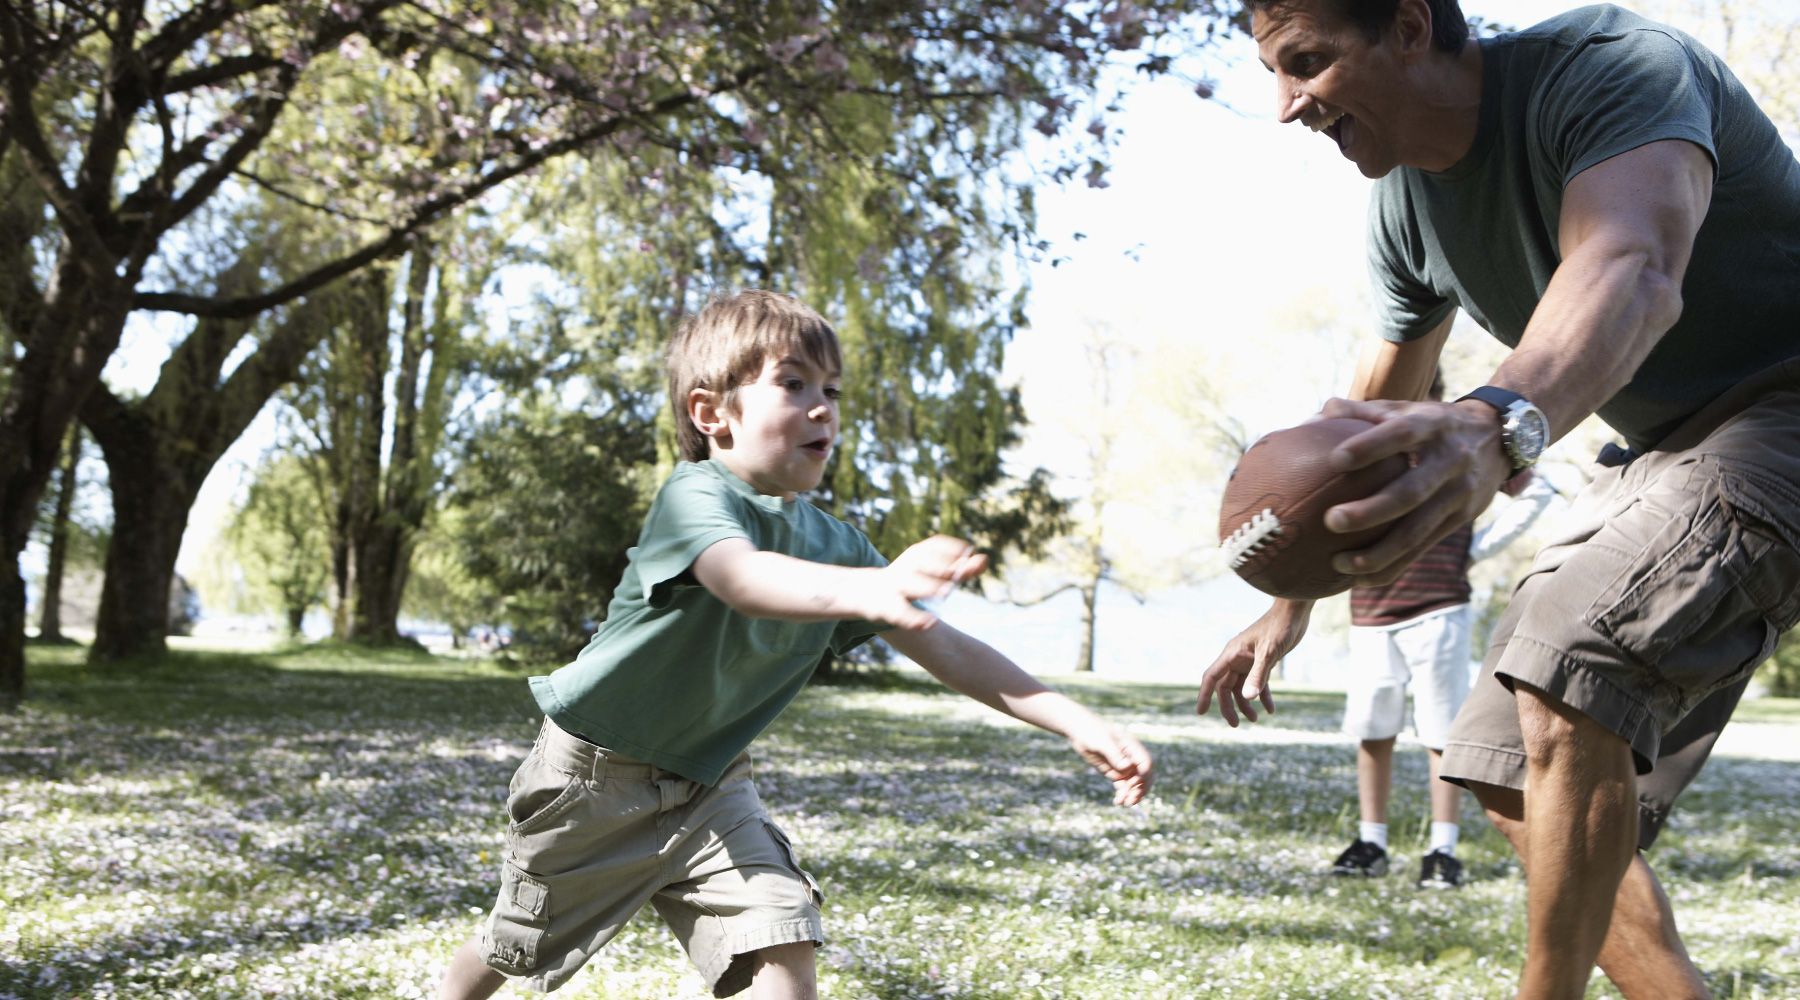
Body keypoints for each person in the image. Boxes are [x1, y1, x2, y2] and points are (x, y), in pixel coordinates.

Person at [1195, 2, 1800, 998]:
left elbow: (1632, 266)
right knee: (1503, 756)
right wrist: (1292, 594)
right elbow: (1379, 402)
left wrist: (1493, 423)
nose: (1286, 106)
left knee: (1572, 657)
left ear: (1405, 24)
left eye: (1306, 63)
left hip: (1783, 401)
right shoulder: (1405, 208)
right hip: (1661, 444)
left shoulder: (1611, 68)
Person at [437, 290, 1152, 1000]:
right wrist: (873, 589)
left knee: (784, 949)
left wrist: (1075, 721)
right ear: (711, 413)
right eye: (793, 383)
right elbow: (743, 578)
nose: (823, 407)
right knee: (514, 944)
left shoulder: (838, 546)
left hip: (714, 787)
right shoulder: (695, 499)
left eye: (831, 389)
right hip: (595, 781)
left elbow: (950, 650)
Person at [1332, 372, 1553, 888]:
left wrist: (1473, 552)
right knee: (1372, 730)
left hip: (1439, 610)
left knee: (1441, 734)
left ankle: (1442, 850)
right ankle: (1371, 842)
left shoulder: (1457, 440)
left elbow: (1535, 492)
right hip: (1369, 610)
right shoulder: (1367, 443)